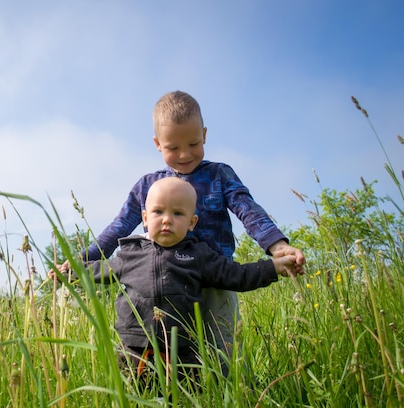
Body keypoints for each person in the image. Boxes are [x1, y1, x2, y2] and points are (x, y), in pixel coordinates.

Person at [70, 90, 306, 371]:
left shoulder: (219, 175)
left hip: (216, 281)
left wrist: (277, 246)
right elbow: (120, 225)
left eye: (193, 143)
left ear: (204, 135)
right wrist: (83, 259)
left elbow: (248, 210)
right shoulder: (148, 186)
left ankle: (224, 400)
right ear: (158, 144)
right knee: (169, 357)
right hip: (168, 281)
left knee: (221, 352)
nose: (185, 154)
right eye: (173, 147)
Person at [53, 177, 299, 382]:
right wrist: (69, 273)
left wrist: (273, 268)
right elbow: (98, 270)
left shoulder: (199, 255)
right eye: (158, 212)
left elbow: (236, 275)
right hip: (133, 350)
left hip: (182, 352)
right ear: (145, 218)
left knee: (184, 402)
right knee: (135, 402)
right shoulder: (130, 254)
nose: (167, 219)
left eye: (178, 213)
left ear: (192, 223)